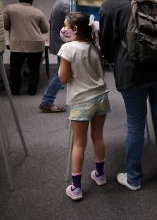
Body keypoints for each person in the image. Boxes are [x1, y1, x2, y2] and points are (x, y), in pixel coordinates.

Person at [99, 0, 157, 190]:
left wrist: (118, 59)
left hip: (132, 72)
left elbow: (105, 46)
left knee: (135, 123)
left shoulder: (110, 4)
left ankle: (133, 178)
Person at [58, 12, 110, 200]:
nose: (63, 28)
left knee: (79, 143)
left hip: (81, 100)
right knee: (98, 136)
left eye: (66, 25)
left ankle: (77, 188)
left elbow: (63, 78)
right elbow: (101, 73)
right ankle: (100, 175)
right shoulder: (94, 47)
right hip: (101, 97)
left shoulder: (67, 48)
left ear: (75, 29)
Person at [39, 0, 87, 112]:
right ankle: (46, 102)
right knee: (61, 74)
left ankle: (75, 99)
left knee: (67, 73)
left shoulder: (59, 1)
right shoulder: (67, 4)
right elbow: (74, 24)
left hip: (59, 43)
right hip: (64, 44)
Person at [2, 0, 48, 95]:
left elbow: (5, 25)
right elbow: (45, 29)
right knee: (34, 68)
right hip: (36, 44)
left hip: (18, 43)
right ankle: (32, 90)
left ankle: (15, 90)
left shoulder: (9, 9)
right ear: (32, 0)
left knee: (15, 68)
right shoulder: (38, 12)